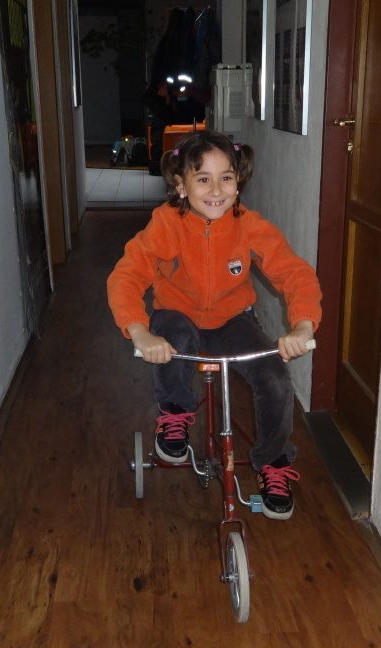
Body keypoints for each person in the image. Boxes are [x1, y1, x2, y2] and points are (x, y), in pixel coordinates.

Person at [107, 131, 322, 520]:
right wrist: (139, 330)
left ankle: (273, 461)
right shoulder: (167, 223)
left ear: (238, 182)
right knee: (172, 338)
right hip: (177, 312)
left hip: (231, 319)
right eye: (203, 179)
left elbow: (294, 273)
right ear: (181, 185)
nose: (217, 190)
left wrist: (303, 325)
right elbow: (128, 275)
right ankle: (175, 412)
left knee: (274, 376)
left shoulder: (248, 225)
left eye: (226, 177)